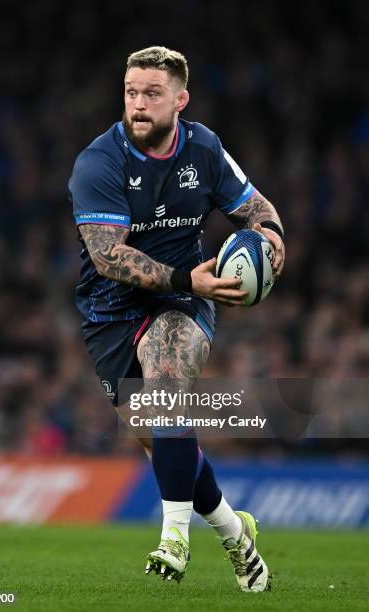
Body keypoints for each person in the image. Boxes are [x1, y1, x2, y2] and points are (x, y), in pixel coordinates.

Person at [68, 46, 285, 592]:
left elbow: (259, 210)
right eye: (131, 92)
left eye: (152, 93)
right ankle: (237, 533)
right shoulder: (100, 161)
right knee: (163, 440)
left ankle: (173, 538)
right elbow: (107, 257)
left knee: (169, 381)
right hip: (110, 309)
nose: (138, 104)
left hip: (182, 301)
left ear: (180, 100)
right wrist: (188, 278)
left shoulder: (205, 148)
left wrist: (274, 242)